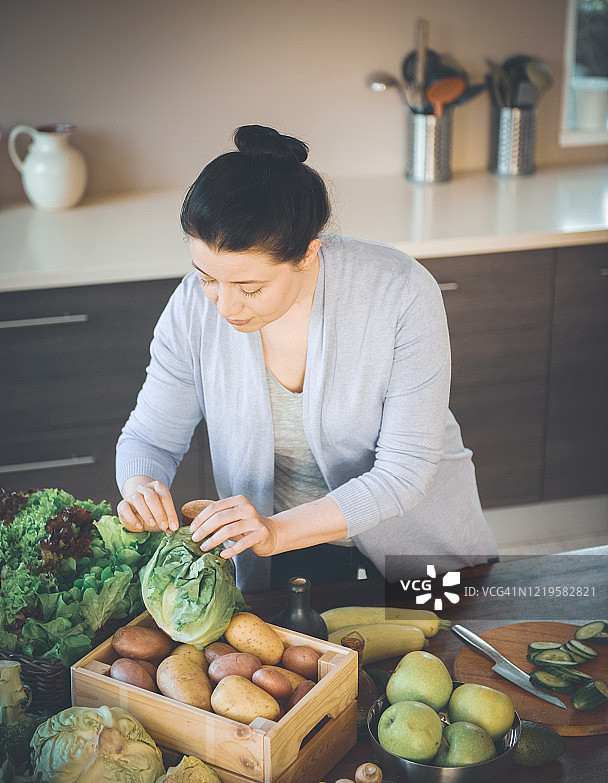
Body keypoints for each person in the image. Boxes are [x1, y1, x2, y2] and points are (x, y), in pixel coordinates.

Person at [116, 124, 498, 593]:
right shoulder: (195, 306)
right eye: (206, 277)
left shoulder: (399, 291)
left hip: (414, 545)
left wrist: (276, 531)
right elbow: (150, 438)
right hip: (284, 553)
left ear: (308, 253)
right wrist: (140, 486)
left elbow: (403, 472)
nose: (225, 305)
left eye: (250, 288)